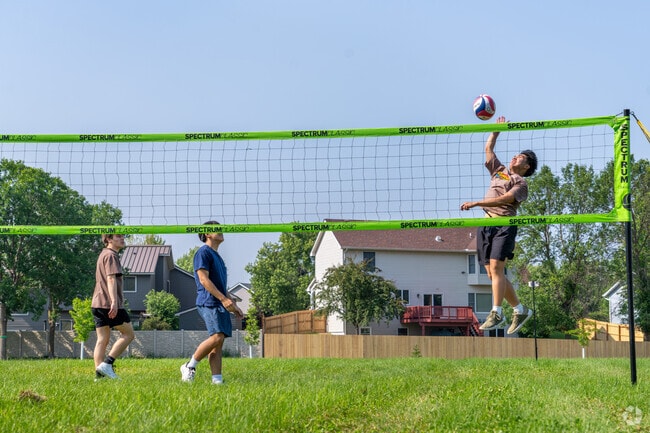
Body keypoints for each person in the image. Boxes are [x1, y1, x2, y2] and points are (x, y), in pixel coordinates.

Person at [460, 116, 538, 334]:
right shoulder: (500, 170)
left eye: (520, 157)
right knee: (493, 275)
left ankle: (497, 313)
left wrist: (477, 202)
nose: (515, 157)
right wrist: (496, 130)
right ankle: (520, 309)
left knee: (497, 269)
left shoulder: (521, 183)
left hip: (504, 225)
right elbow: (489, 148)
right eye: (515, 155)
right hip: (486, 225)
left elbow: (504, 200)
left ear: (527, 166)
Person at [181, 221, 243, 384]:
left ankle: (217, 380)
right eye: (216, 229)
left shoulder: (219, 258)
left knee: (219, 342)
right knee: (217, 337)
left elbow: (222, 286)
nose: (221, 231)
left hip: (220, 302)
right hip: (208, 301)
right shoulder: (203, 253)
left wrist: (232, 304)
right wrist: (223, 299)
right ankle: (189, 365)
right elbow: (203, 279)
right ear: (207, 234)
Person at [92, 233, 135, 379]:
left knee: (102, 339)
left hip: (97, 303)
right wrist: (114, 302)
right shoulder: (111, 255)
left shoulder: (103, 254)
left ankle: (99, 375)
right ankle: (107, 364)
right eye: (118, 236)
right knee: (129, 334)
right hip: (108, 303)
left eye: (123, 236)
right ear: (109, 239)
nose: (122, 239)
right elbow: (111, 279)